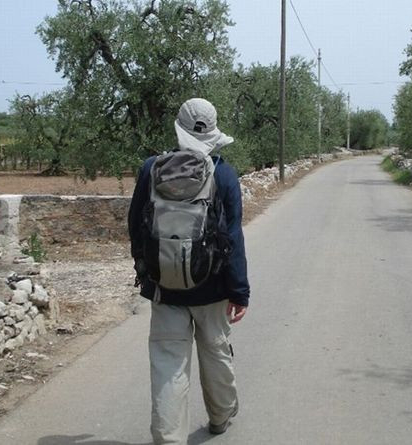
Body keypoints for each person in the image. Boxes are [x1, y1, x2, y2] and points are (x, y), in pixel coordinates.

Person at [128, 98, 250, 444]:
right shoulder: (223, 174)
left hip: (165, 289)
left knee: (168, 366)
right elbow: (233, 236)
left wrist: (148, 271)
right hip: (213, 288)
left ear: (178, 128)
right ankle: (220, 417)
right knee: (216, 354)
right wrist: (239, 290)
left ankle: (169, 439)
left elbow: (135, 225)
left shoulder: (151, 169)